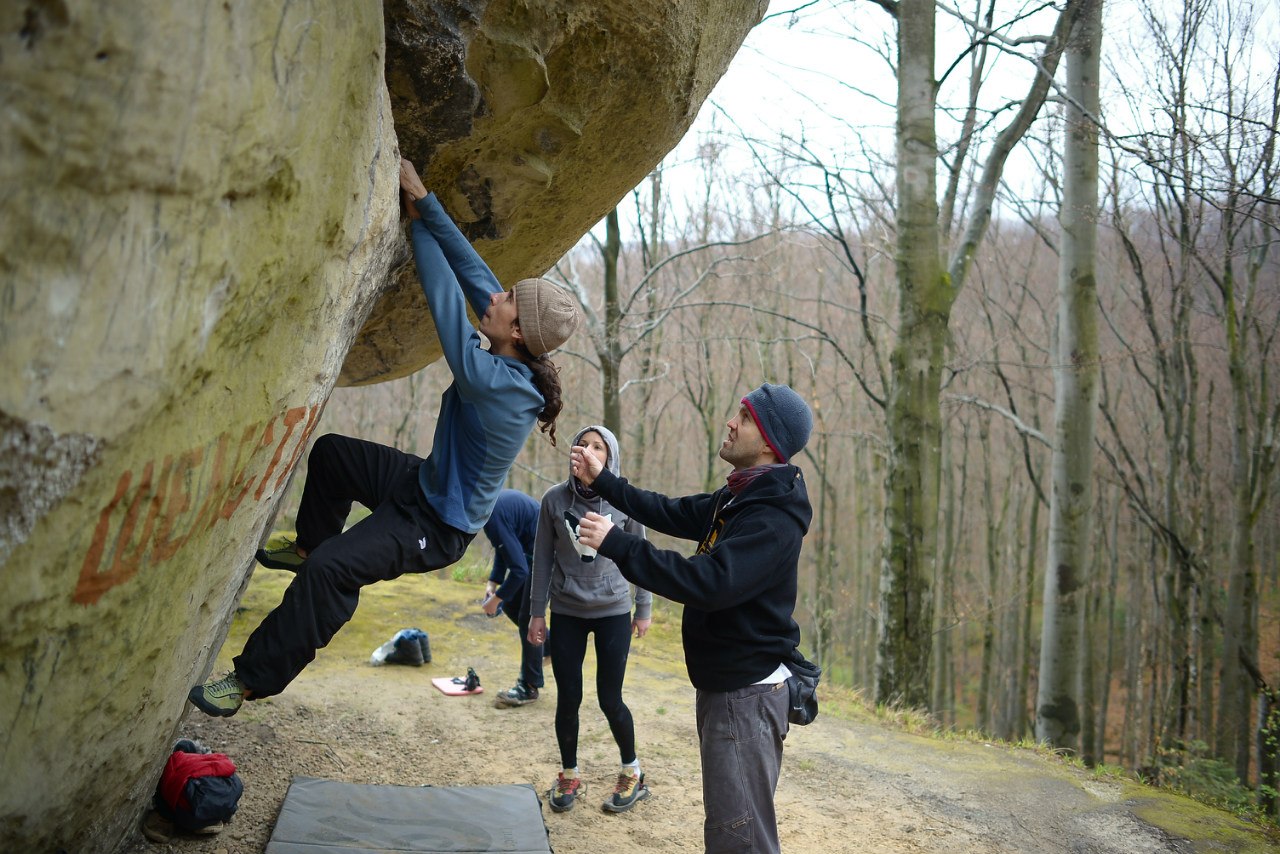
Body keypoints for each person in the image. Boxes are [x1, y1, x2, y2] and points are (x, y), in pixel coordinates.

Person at [187, 158, 582, 717]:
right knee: (332, 456)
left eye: (508, 299)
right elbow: (474, 276)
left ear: (517, 331)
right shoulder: (509, 341)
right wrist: (423, 198)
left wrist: (417, 225)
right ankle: (307, 545)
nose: (495, 297)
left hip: (435, 527)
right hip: (420, 484)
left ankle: (248, 681)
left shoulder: (497, 382)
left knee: (334, 571)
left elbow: (447, 298)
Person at [570, 383, 813, 854]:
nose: (730, 422)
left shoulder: (772, 517)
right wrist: (603, 482)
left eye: (742, 417)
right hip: (728, 690)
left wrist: (617, 543)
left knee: (738, 836)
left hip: (746, 696)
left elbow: (709, 583)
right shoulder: (739, 496)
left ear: (767, 441)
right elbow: (669, 510)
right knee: (734, 828)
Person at [526, 425, 653, 814]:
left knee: (610, 698)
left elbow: (641, 555)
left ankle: (633, 772)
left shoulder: (624, 502)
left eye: (598, 447)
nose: (588, 450)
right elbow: (542, 558)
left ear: (609, 458)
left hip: (614, 609)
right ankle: (569, 773)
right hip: (567, 611)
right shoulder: (553, 500)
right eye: (583, 444)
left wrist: (643, 607)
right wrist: (536, 612)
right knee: (568, 698)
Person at [480, 488, 545, 707]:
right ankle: (549, 646)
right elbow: (504, 546)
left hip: (547, 553)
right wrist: (494, 583)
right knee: (511, 604)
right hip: (531, 552)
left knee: (528, 618)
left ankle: (529, 686)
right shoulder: (491, 508)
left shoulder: (490, 514)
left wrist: (494, 600)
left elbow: (519, 571)